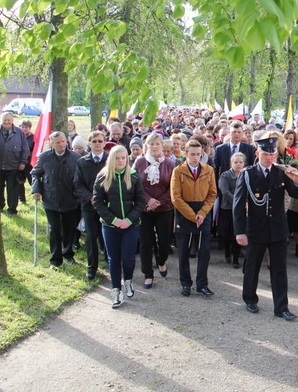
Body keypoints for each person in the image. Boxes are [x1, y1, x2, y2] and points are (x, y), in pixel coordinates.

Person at [233, 135, 298, 320]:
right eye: (266, 154)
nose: (270, 158)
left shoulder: (281, 172)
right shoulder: (248, 174)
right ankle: (250, 299)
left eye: (273, 154)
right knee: (252, 266)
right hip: (256, 228)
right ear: (258, 153)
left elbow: (296, 193)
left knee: (279, 269)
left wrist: (296, 180)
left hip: (278, 228)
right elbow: (238, 205)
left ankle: (281, 307)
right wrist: (240, 231)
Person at [93, 145, 145, 308]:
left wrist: (129, 220)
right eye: (117, 158)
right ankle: (116, 289)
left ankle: (128, 280)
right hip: (110, 226)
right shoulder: (103, 176)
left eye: (123, 158)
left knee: (128, 258)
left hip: (130, 225)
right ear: (111, 159)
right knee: (113, 258)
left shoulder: (134, 176)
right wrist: (113, 220)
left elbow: (140, 201)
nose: (121, 161)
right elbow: (97, 202)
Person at [170, 139, 218, 297]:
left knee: (204, 251)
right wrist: (192, 215)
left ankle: (202, 284)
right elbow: (176, 197)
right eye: (192, 154)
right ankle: (185, 283)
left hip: (203, 214)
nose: (195, 157)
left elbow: (212, 194)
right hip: (185, 213)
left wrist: (203, 213)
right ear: (186, 154)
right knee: (183, 250)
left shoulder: (208, 170)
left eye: (198, 154)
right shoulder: (178, 171)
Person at [31, 132, 82, 269]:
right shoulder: (44, 157)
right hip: (51, 199)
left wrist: (78, 194)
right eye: (57, 142)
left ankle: (68, 254)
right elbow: (35, 173)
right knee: (55, 229)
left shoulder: (76, 157)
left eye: (63, 141)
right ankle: (55, 259)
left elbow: (80, 178)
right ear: (51, 144)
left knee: (69, 229)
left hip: (70, 200)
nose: (61, 144)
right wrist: (36, 189)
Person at [133, 132, 175, 288]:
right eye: (152, 144)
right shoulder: (140, 162)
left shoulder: (170, 164)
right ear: (147, 146)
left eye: (158, 144)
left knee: (164, 242)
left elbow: (173, 187)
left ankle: (161, 260)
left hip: (164, 208)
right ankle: (148, 274)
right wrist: (148, 200)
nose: (155, 147)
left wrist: (159, 202)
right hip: (144, 209)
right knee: (146, 242)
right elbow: (135, 184)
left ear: (162, 146)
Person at [74, 130, 108, 280]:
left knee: (107, 236)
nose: (97, 144)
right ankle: (92, 267)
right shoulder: (82, 162)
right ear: (89, 144)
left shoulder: (110, 160)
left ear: (104, 143)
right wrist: (90, 197)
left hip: (108, 206)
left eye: (100, 141)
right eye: (94, 141)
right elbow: (78, 184)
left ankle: (110, 261)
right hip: (89, 206)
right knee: (91, 237)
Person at [0, 112, 29, 216]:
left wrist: (23, 162)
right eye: (4, 120)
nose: (6, 122)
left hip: (13, 166)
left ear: (12, 121)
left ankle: (12, 209)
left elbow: (25, 149)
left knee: (13, 190)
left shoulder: (19, 133)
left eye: (8, 120)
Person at [218, 152, 245, 268]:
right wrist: (238, 202)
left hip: (241, 210)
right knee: (227, 234)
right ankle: (227, 252)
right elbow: (225, 192)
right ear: (231, 163)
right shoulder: (225, 175)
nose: (238, 165)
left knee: (238, 233)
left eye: (240, 162)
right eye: (235, 162)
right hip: (228, 208)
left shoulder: (246, 175)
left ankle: (235, 259)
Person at [18, 119, 35, 204]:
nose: (24, 129)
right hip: (19, 162)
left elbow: (35, 149)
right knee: (19, 182)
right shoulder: (17, 136)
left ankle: (37, 195)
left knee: (32, 180)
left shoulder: (34, 137)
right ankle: (22, 199)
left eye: (26, 127)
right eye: (23, 127)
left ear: (30, 128)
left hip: (29, 163)